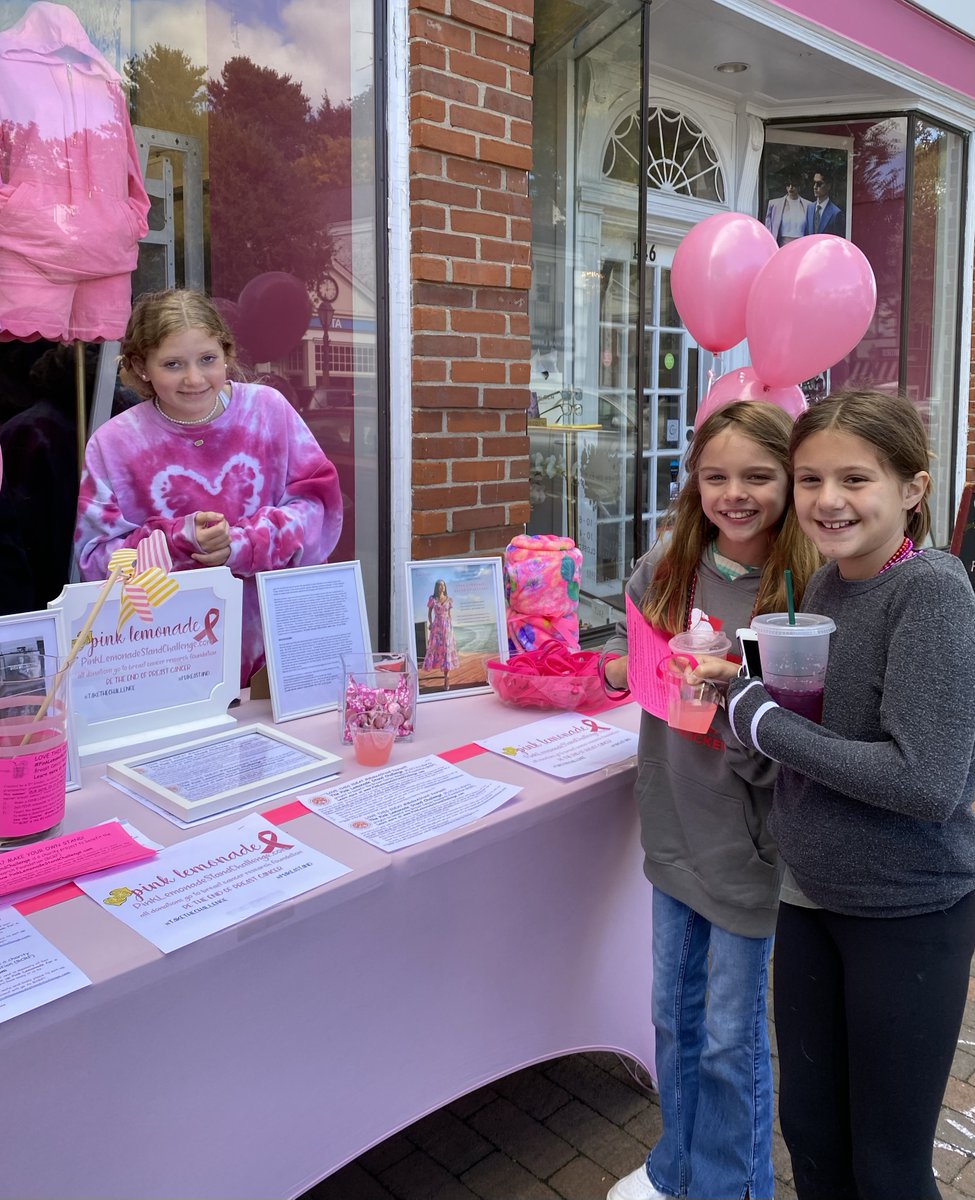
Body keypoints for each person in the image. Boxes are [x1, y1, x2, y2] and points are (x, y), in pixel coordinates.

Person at [717, 390, 975, 1199]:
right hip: (809, 898)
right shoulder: (820, 588)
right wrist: (742, 694)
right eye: (808, 479)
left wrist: (762, 724)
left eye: (855, 479)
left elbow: (925, 782)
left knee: (888, 1165)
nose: (827, 501)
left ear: (912, 488)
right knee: (814, 1138)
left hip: (906, 912)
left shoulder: (932, 592)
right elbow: (805, 747)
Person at [602, 401, 821, 1200]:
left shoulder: (799, 594)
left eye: (758, 476)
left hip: (751, 845)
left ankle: (735, 1186)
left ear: (789, 483)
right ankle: (676, 1168)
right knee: (672, 1015)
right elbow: (638, 667)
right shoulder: (666, 569)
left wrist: (733, 705)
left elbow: (799, 744)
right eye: (716, 475)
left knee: (732, 1039)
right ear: (691, 481)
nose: (735, 493)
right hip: (672, 827)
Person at [74, 288, 343, 687]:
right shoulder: (114, 444)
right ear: (140, 366)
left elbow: (320, 509)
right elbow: (95, 563)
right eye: (172, 364)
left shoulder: (268, 410)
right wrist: (178, 541)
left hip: (279, 647)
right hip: (170, 659)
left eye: (207, 359)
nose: (195, 378)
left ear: (227, 354)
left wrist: (242, 544)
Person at [423, 579, 459, 690]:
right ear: (436, 587)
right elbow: (429, 613)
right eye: (439, 585)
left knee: (447, 650)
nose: (441, 587)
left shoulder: (449, 599)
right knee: (435, 649)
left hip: (447, 627)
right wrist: (430, 623)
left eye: (443, 585)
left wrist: (451, 628)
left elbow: (449, 614)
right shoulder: (432, 599)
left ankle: (446, 677)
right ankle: (438, 668)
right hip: (437, 627)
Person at [763, 171, 810, 245]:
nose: (791, 187)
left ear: (799, 186)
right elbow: (768, 228)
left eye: (794, 185)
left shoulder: (808, 205)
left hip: (802, 244)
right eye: (788, 185)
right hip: (781, 244)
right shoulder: (774, 204)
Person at [802, 171, 844, 237]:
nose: (815, 187)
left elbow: (838, 241)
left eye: (819, 184)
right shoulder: (810, 208)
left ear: (828, 186)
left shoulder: (836, 213)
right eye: (814, 183)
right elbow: (806, 235)